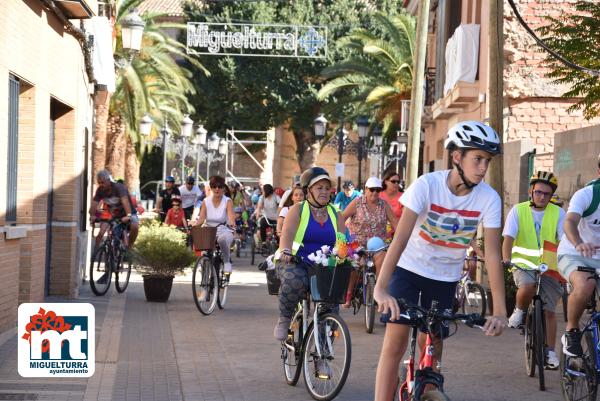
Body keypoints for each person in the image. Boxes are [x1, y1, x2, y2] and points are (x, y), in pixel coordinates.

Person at [372, 121, 508, 401]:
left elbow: (493, 255)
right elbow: (400, 239)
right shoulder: (427, 185)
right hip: (408, 272)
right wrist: (381, 288)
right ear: (457, 157)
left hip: (444, 279)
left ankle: (429, 392)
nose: (483, 168)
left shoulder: (489, 198)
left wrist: (500, 311)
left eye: (487, 161)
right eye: (478, 159)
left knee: (431, 343)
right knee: (395, 345)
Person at [274, 167, 345, 341]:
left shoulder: (336, 213)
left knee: (331, 302)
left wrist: (344, 255)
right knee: (294, 280)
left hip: (324, 266)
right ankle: (284, 318)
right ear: (308, 191)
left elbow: (342, 242)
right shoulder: (297, 209)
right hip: (296, 261)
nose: (324, 192)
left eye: (327, 188)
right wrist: (285, 251)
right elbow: (287, 235)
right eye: (319, 187)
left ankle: (324, 353)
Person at [503, 171, 565, 369]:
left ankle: (550, 353)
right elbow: (509, 239)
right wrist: (506, 258)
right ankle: (520, 311)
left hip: (550, 266)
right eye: (538, 192)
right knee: (528, 286)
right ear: (531, 190)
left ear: (551, 195)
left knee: (549, 311)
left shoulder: (558, 213)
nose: (542, 197)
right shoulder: (518, 211)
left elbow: (564, 240)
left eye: (546, 194)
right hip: (524, 264)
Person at [557, 157, 600, 358]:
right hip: (575, 254)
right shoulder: (587, 194)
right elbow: (569, 222)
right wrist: (579, 243)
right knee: (585, 285)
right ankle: (571, 332)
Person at [342, 176, 398, 307]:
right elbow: (342, 217)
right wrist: (341, 237)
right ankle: (349, 295)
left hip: (378, 245)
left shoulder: (384, 205)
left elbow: (395, 223)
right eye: (372, 189)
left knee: (383, 260)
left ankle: (380, 291)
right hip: (357, 244)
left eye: (378, 190)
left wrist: (402, 237)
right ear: (366, 189)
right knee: (354, 266)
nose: (374, 193)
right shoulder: (357, 203)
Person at [191, 175, 236, 274]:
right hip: (209, 230)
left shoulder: (227, 201)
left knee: (222, 239)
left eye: (220, 187)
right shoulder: (205, 201)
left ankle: (227, 261)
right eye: (214, 186)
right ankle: (205, 279)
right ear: (211, 188)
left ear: (223, 188)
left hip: (224, 229)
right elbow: (202, 219)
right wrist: (194, 224)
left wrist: (232, 224)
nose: (217, 189)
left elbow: (231, 217)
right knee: (204, 253)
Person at [89, 170, 139, 249]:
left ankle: (130, 245)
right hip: (114, 214)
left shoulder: (119, 187)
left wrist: (128, 216)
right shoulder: (100, 190)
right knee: (104, 233)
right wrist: (92, 215)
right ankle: (96, 253)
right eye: (99, 183)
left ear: (108, 180)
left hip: (128, 212)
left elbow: (125, 201)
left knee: (135, 226)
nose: (101, 185)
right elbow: (94, 204)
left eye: (103, 182)